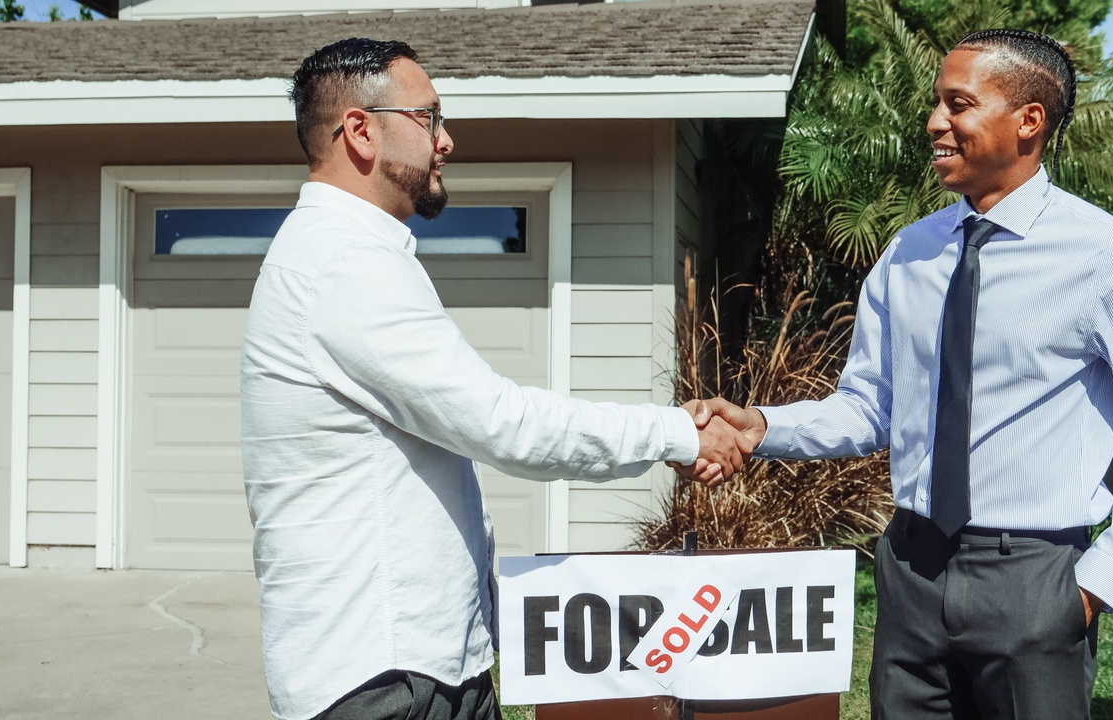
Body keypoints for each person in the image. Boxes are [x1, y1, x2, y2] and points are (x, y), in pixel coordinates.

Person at [679, 29, 1113, 719]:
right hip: (911, 571)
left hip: (1034, 581)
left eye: (958, 104)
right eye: (937, 103)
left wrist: (1095, 584)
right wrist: (760, 427)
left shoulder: (1107, 256)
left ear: (1028, 121)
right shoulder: (910, 252)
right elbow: (868, 407)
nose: (935, 122)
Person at [240, 37, 750, 720]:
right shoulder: (341, 263)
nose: (446, 140)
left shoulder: (343, 253)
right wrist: (677, 433)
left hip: (408, 668)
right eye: (428, 118)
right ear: (360, 131)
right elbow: (500, 423)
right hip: (385, 680)